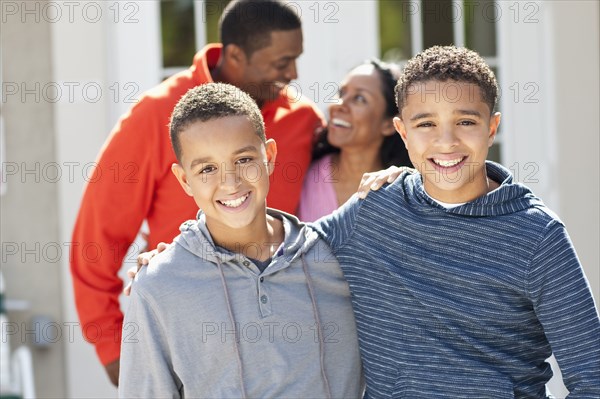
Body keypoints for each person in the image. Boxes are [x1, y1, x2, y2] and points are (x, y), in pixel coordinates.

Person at [314, 46, 600, 397]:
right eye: (426, 124)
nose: (446, 142)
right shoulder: (372, 212)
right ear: (403, 133)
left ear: (491, 127)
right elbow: (279, 252)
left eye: (465, 122)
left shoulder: (537, 235)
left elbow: (592, 376)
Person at [70, 0, 324, 385]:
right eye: (281, 62)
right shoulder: (155, 116)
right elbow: (96, 241)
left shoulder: (302, 120)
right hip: (186, 346)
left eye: (295, 59)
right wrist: (116, 351)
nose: (293, 74)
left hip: (283, 347)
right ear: (236, 56)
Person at [118, 82, 363, 397]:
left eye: (244, 160)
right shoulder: (159, 287)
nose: (230, 183)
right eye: (207, 168)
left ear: (269, 156)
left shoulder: (338, 257)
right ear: (184, 180)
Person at [298, 59, 411, 221]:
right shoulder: (305, 175)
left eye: (359, 98)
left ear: (389, 124)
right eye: (342, 93)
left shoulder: (402, 190)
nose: (338, 104)